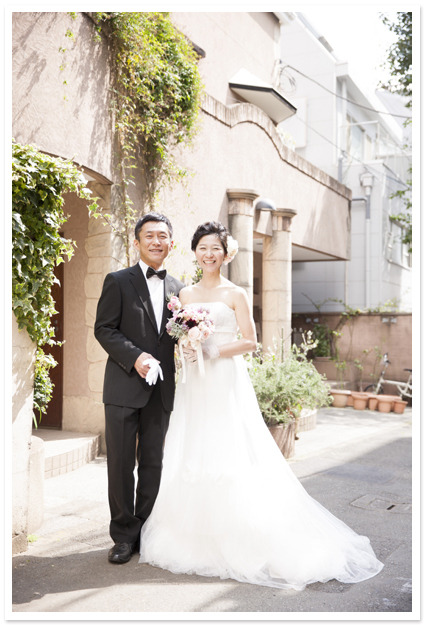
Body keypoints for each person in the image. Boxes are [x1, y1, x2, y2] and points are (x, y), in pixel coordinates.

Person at [138, 221, 384, 590]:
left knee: (228, 446)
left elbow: (251, 342)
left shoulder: (235, 293)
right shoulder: (184, 294)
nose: (209, 254)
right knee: (194, 445)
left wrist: (214, 347)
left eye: (215, 248)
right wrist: (188, 346)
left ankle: (239, 533)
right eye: (203, 247)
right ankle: (195, 533)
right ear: (194, 251)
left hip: (223, 378)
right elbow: (177, 336)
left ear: (226, 253)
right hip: (195, 381)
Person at [94, 212, 183, 564]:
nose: (156, 241)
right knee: (119, 464)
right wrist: (136, 358)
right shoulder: (117, 281)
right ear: (137, 241)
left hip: (161, 391)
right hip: (122, 386)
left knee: (153, 463)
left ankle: (145, 531)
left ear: (170, 243)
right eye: (149, 236)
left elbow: (180, 336)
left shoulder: (180, 289)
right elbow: (104, 329)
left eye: (163, 236)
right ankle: (122, 537)